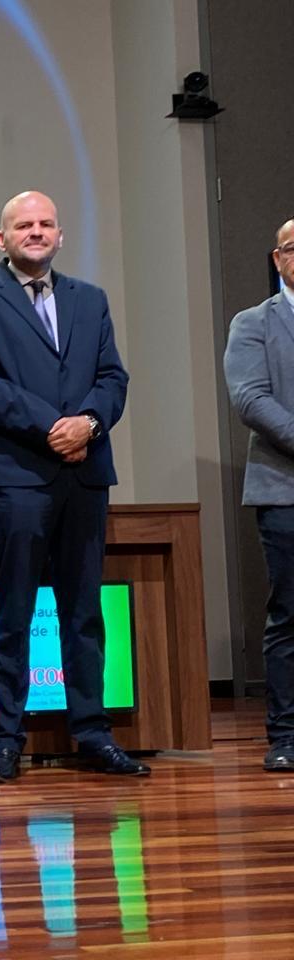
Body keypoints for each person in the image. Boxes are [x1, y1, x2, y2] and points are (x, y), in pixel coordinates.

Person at [0, 189, 144, 782]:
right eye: (23, 225)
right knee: (13, 610)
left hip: (85, 472)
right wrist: (48, 427)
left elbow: (112, 376)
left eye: (46, 223)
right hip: (18, 473)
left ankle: (92, 733)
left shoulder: (91, 299)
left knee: (84, 610)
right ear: (1, 239)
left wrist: (88, 423)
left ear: (60, 235)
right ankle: (6, 739)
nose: (36, 232)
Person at [224, 217, 294, 771]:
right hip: (285, 489)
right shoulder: (252, 323)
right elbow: (250, 398)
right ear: (278, 259)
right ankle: (286, 736)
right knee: (289, 616)